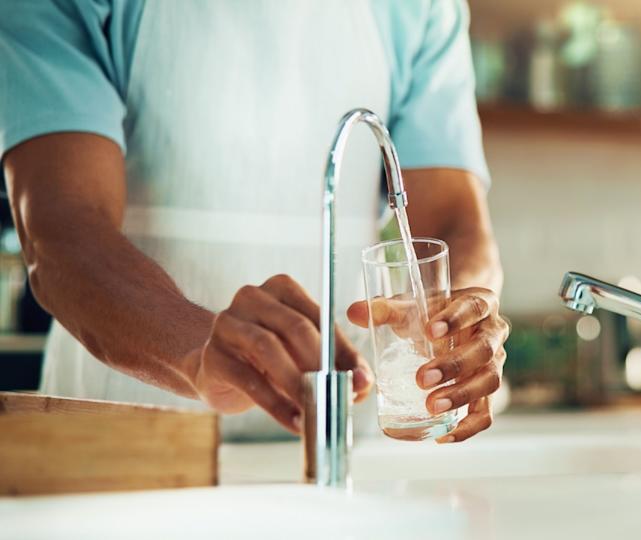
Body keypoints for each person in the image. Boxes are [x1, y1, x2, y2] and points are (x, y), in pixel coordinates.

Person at [0, 0, 508, 442]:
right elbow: (61, 231)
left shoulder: (420, 9)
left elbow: (453, 220)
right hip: (122, 439)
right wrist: (199, 350)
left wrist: (463, 319)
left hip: (337, 435)